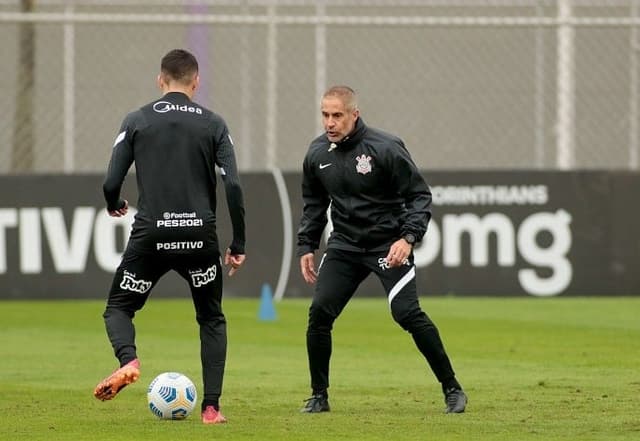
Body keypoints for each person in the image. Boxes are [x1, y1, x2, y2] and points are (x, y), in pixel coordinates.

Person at [93, 49, 246, 425]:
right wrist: (238, 242)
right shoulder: (214, 124)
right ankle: (211, 409)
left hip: (152, 236)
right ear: (196, 82)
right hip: (199, 238)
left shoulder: (138, 119)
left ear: (160, 80)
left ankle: (128, 359)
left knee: (118, 308)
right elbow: (235, 186)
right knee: (211, 318)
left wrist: (115, 202)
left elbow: (111, 181)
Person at [297, 85, 467, 414]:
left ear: (354, 114)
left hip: (387, 245)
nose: (329, 122)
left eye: (337, 115)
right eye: (325, 115)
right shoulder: (317, 154)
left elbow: (419, 195)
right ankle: (319, 396)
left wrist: (407, 238)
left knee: (406, 314)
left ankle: (452, 388)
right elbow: (314, 204)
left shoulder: (385, 147)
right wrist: (307, 244)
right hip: (345, 246)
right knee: (319, 314)